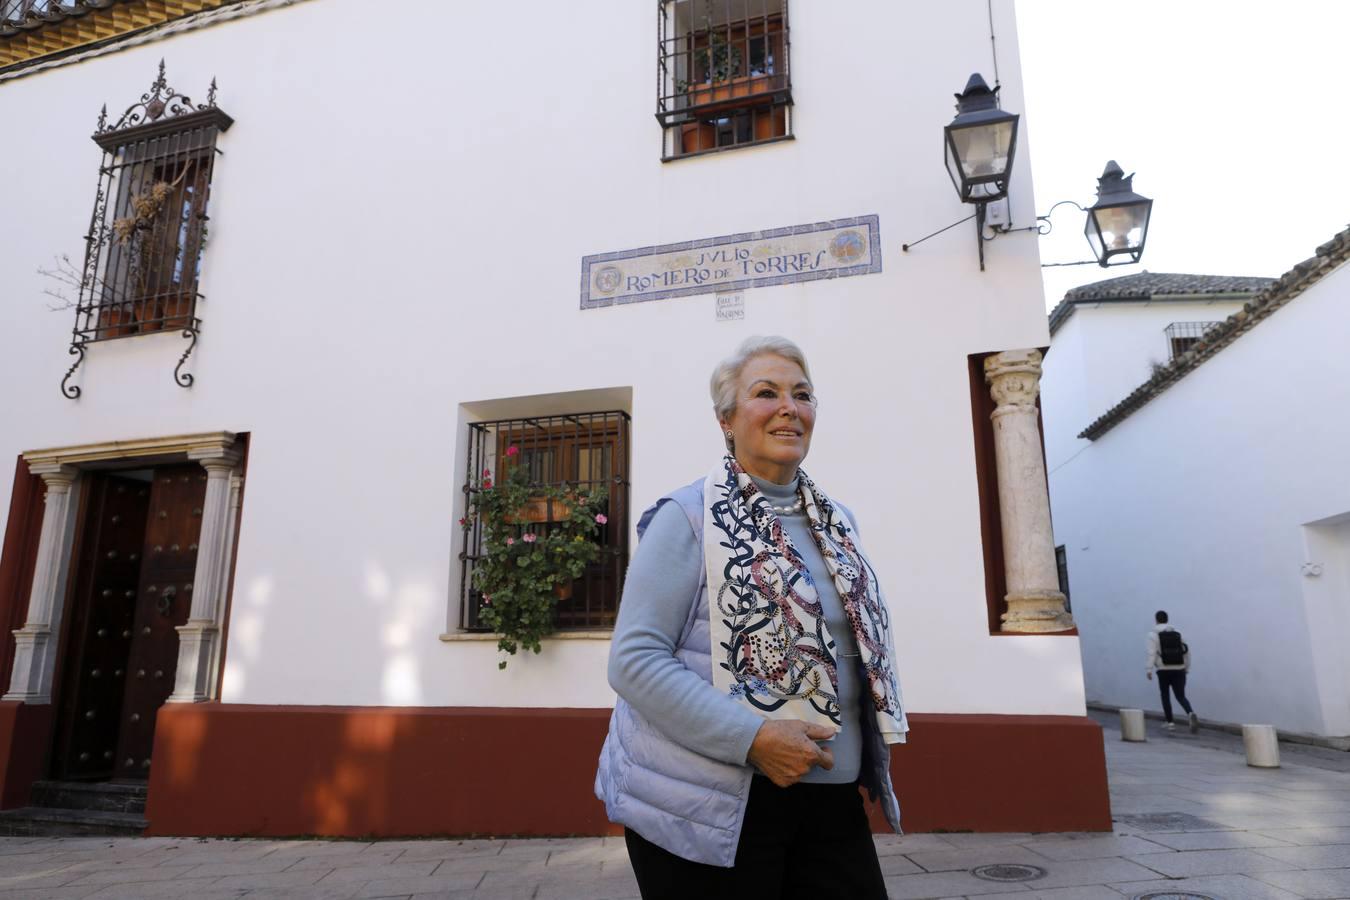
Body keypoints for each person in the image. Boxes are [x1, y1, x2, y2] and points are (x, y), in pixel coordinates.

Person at [595, 335, 908, 900]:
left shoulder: (839, 523)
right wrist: (754, 736)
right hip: (711, 805)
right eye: (766, 393)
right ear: (727, 420)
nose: (790, 406)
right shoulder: (687, 517)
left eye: (803, 394)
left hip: (830, 797)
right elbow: (634, 661)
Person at [1147, 610, 1198, 733]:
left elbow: (1151, 653)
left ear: (1156, 620)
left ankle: (1170, 722)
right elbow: (1187, 651)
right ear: (1167, 619)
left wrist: (1149, 669)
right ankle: (1190, 712)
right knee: (1180, 695)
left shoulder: (1153, 635)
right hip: (1179, 668)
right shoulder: (1178, 633)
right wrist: (1186, 667)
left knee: (1165, 695)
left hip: (1163, 670)